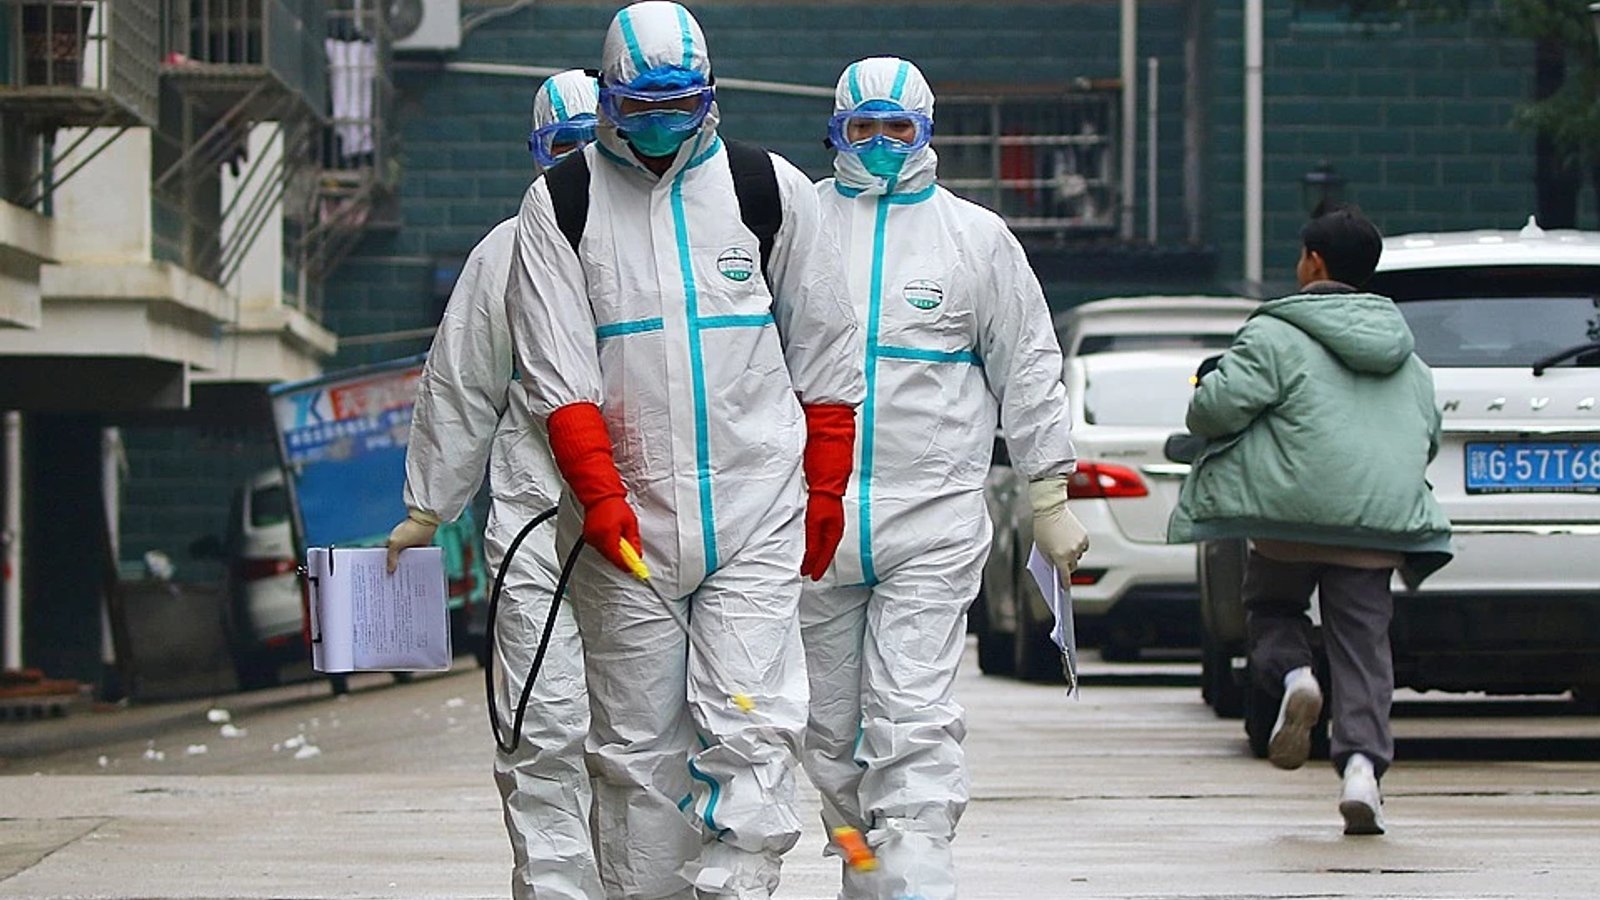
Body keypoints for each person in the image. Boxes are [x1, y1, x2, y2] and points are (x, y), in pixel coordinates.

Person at [503, 4, 865, 898]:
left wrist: (826, 488)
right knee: (637, 755)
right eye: (642, 106)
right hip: (626, 529)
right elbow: (558, 373)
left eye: (681, 103)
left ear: (710, 95)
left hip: (755, 510)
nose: (662, 123)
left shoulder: (765, 191)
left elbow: (826, 350)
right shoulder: (563, 204)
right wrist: (600, 494)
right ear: (608, 100)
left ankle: (740, 890)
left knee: (753, 725)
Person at [801, 57, 1087, 900]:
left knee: (911, 713)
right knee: (826, 731)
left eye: (898, 128)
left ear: (927, 131)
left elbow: (1027, 363)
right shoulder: (798, 225)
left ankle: (917, 873)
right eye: (863, 128)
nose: (881, 143)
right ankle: (866, 870)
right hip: (812, 519)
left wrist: (1048, 491)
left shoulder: (976, 238)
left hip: (931, 515)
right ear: (836, 130)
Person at [385, 70, 604, 900]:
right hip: (536, 518)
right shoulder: (504, 255)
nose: (579, 162)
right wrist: (427, 508)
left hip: (653, 523)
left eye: (591, 141)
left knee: (649, 732)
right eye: (562, 146)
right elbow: (463, 385)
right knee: (544, 724)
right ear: (537, 154)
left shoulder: (674, 242)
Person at [1170, 204, 1453, 836]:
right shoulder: (1407, 355)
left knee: (1272, 611)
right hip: (1376, 525)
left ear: (1314, 262)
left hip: (1287, 521)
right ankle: (1362, 772)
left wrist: (1207, 385)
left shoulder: (1276, 333)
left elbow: (1214, 412)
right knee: (1364, 648)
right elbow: (1427, 437)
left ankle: (1297, 676)